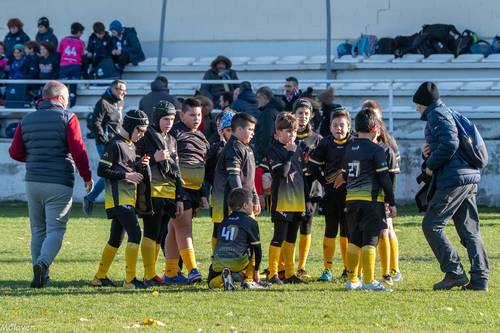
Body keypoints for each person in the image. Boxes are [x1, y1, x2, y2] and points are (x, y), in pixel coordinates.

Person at [8, 81, 93, 288]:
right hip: (59, 181)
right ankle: (43, 264)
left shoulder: (27, 119)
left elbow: (14, 152)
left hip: (33, 181)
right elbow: (78, 150)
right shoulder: (67, 117)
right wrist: (87, 176)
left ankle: (41, 275)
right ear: (61, 98)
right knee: (56, 229)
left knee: (38, 230)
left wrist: (36, 157)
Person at [413, 82, 489, 291]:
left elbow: (450, 144)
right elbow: (447, 144)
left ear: (423, 102)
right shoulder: (448, 112)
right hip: (468, 176)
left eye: (417, 104)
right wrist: (427, 152)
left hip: (453, 179)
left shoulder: (436, 115)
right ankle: (480, 278)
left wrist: (429, 165)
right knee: (469, 231)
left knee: (431, 224)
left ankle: (454, 272)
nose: (416, 109)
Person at [91, 109, 149, 289]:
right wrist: (126, 176)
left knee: (115, 239)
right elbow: (102, 170)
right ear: (131, 126)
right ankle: (130, 280)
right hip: (118, 200)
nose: (142, 134)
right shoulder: (115, 144)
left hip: (128, 199)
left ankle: (99, 277)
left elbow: (127, 168)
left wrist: (141, 165)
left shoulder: (131, 145)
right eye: (140, 130)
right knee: (136, 234)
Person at [342, 108, 397, 292]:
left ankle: (352, 280)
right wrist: (392, 202)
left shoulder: (349, 148)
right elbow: (384, 179)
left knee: (354, 240)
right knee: (370, 241)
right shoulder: (376, 150)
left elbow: (344, 175)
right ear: (375, 127)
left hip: (351, 200)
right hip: (371, 202)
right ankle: (368, 280)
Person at [135, 101, 186, 286]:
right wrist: (154, 160)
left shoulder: (172, 139)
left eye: (172, 119)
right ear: (157, 118)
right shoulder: (146, 137)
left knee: (161, 235)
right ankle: (149, 275)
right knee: (151, 232)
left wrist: (179, 197)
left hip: (169, 194)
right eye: (166, 118)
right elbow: (133, 161)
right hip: (152, 192)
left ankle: (153, 274)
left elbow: (177, 169)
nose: (169, 122)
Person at [265, 112, 313, 284]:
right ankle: (273, 273)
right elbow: (281, 173)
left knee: (292, 238)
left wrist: (307, 199)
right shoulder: (274, 150)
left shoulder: (298, 149)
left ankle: (290, 273)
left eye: (293, 131)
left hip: (298, 201)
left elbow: (303, 177)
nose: (291, 135)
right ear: (277, 133)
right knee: (279, 237)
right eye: (287, 131)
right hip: (282, 201)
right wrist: (290, 154)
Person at [166, 98, 209, 284]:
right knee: (183, 228)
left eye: (199, 115)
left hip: (194, 190)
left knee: (173, 229)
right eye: (192, 115)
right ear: (181, 115)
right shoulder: (174, 133)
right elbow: (169, 163)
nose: (197, 118)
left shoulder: (201, 136)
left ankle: (170, 273)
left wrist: (202, 194)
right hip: (178, 188)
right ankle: (192, 269)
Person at [362, 100, 402, 285]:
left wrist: (389, 198)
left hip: (382, 195)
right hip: (367, 195)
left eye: (373, 114)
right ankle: (363, 270)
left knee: (387, 230)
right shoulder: (360, 143)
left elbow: (392, 174)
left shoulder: (388, 141)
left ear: (380, 117)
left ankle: (393, 269)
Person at [309, 108, 352, 282]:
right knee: (330, 230)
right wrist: (325, 182)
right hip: (331, 196)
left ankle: (348, 268)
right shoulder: (325, 143)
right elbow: (313, 166)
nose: (339, 128)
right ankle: (327, 268)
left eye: (342, 125)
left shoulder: (355, 144)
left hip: (350, 195)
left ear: (349, 126)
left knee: (347, 232)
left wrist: (346, 177)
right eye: (335, 125)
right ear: (330, 127)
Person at [211, 112, 260, 251]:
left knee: (246, 232)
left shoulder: (246, 147)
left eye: (253, 130)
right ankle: (218, 264)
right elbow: (234, 175)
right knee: (222, 232)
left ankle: (244, 269)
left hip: (243, 199)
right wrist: (242, 202)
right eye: (250, 129)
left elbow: (250, 178)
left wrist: (255, 197)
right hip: (228, 200)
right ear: (238, 129)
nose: (253, 133)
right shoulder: (234, 147)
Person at [208, 188, 266, 290]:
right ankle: (249, 280)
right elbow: (257, 250)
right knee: (253, 247)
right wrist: (256, 270)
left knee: (210, 283)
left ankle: (223, 277)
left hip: (219, 261)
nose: (253, 206)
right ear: (245, 205)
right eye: (251, 203)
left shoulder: (223, 221)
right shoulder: (251, 222)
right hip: (238, 262)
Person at [83, 80, 127, 216]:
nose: (124, 92)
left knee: (113, 172)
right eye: (121, 89)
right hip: (105, 144)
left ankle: (92, 199)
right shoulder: (102, 103)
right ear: (113, 89)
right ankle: (92, 198)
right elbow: (95, 123)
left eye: (125, 90)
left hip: (117, 142)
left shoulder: (119, 102)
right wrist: (104, 139)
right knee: (110, 170)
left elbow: (118, 123)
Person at [292, 99, 322, 279]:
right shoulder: (288, 135)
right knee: (290, 226)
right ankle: (284, 264)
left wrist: (314, 195)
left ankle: (301, 266)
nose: (302, 117)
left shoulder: (317, 139)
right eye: (299, 113)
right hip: (291, 189)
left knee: (306, 225)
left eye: (306, 113)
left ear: (311, 116)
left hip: (310, 190)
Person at [254, 86, 285, 165]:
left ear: (264, 97)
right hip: (275, 153)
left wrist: (261, 156)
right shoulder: (274, 111)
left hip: (267, 157)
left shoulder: (267, 113)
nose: (256, 100)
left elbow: (266, 136)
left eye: (258, 97)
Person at [58, 22, 86, 107]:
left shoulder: (63, 40)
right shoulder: (80, 42)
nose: (81, 34)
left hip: (64, 66)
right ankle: (72, 107)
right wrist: (85, 70)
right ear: (78, 32)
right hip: (75, 66)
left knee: (62, 88)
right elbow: (83, 56)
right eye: (81, 32)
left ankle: (62, 107)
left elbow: (58, 54)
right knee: (73, 88)